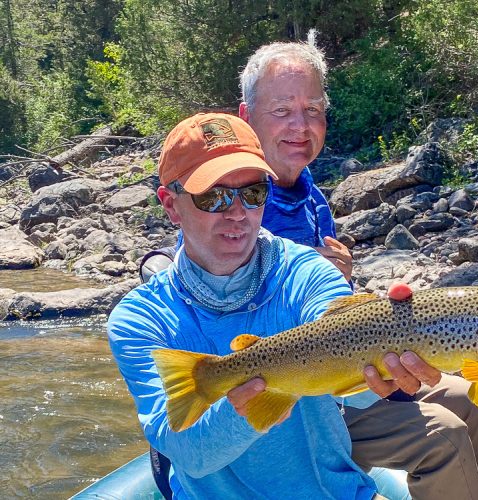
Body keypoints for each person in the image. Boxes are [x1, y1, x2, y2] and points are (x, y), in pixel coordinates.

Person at [138, 34, 478, 499]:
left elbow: (320, 294)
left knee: (464, 403)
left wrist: (359, 308)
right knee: (442, 432)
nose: (238, 212)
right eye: (283, 111)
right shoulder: (227, 226)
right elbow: (205, 263)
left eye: (313, 110)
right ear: (247, 116)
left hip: (322, 367)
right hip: (284, 382)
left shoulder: (305, 191)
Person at [108, 112, 380, 499]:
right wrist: (251, 401)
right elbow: (191, 455)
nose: (237, 213)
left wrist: (383, 360)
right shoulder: (140, 319)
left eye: (253, 193)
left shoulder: (306, 272)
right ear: (170, 205)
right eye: (214, 196)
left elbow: (360, 392)